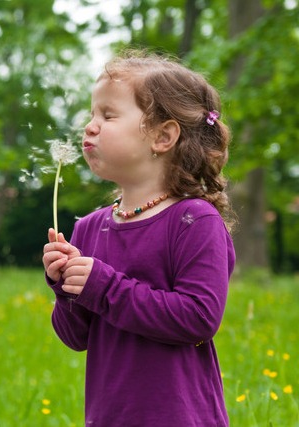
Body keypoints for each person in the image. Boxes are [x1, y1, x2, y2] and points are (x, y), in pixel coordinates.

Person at [42, 50, 236, 426]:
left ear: (163, 136)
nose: (90, 127)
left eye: (108, 115)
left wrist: (102, 286)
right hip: (110, 416)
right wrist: (65, 289)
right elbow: (76, 338)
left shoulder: (194, 221)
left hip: (178, 417)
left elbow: (199, 318)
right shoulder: (88, 228)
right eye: (91, 115)